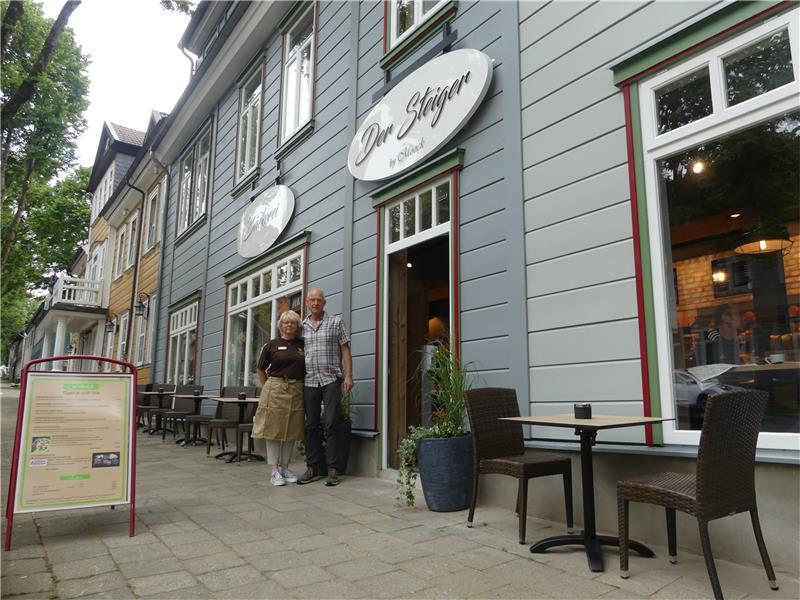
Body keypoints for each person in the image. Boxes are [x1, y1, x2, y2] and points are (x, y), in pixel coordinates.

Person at [297, 288, 353, 486]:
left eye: (319, 300)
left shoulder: (336, 322)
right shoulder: (300, 327)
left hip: (331, 380)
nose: (315, 303)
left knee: (330, 424)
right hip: (309, 381)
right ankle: (312, 468)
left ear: (324, 302)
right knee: (311, 425)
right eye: (312, 300)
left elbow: (345, 349)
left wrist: (348, 375)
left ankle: (333, 469)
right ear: (307, 303)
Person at [252, 310, 305, 487]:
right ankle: (274, 470)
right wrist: (267, 386)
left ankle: (285, 467)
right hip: (275, 388)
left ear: (297, 326)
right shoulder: (271, 345)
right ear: (280, 325)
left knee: (292, 429)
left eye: (293, 322)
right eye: (286, 322)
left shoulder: (303, 345)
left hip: (296, 389)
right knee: (273, 429)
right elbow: (261, 368)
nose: (289, 325)